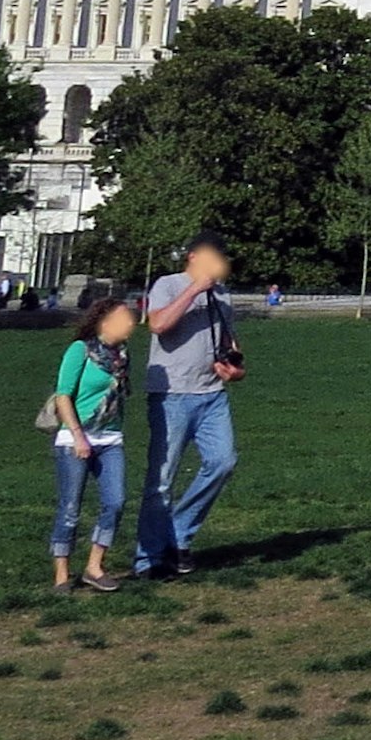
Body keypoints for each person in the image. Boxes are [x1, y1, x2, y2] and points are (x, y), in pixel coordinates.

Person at [134, 236, 245, 577]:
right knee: (162, 479)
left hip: (211, 395)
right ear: (193, 257)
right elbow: (158, 325)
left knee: (223, 462)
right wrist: (194, 290)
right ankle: (148, 559)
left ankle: (179, 535)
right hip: (172, 396)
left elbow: (230, 342)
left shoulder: (222, 294)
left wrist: (237, 369)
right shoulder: (168, 284)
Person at [47, 290, 140, 592]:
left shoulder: (122, 355)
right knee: (70, 507)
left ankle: (94, 567)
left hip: (110, 437)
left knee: (115, 501)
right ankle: (61, 575)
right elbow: (63, 395)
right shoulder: (80, 350)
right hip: (75, 437)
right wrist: (78, 436)